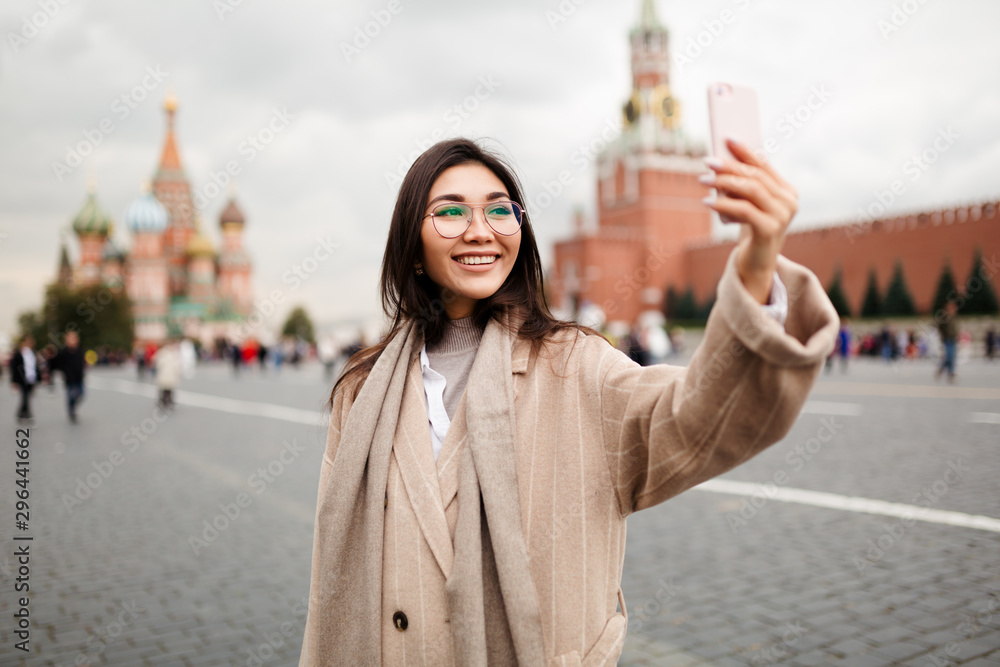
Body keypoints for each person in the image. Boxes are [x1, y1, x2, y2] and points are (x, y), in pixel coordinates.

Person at [299, 138, 838, 665]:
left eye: (500, 211)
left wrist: (757, 264)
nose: (480, 230)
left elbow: (698, 419)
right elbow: (331, 581)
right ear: (411, 247)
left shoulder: (574, 364)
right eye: (451, 212)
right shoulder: (362, 390)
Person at [49, 331, 86, 422]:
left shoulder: (80, 350)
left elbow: (82, 363)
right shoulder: (63, 353)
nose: (73, 340)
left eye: (74, 338)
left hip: (79, 377)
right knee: (71, 395)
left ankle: (73, 406)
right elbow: (54, 364)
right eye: (70, 338)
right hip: (69, 379)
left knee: (81, 393)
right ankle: (71, 411)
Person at [9, 334, 39, 424]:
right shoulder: (18, 353)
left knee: (27, 397)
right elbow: (13, 367)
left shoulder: (32, 352)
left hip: (31, 378)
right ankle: (27, 415)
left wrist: (39, 378)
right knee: (25, 397)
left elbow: (35, 366)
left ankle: (21, 414)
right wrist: (13, 381)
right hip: (22, 379)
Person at [935, 300, 959, 383]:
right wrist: (942, 336)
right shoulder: (945, 317)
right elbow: (938, 326)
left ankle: (947, 372)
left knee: (951, 358)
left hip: (953, 339)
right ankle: (948, 372)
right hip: (947, 340)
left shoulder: (954, 317)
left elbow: (955, 328)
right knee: (949, 357)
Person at [153, 339, 181, 409]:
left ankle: (166, 401)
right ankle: (164, 401)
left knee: (168, 388)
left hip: (168, 374)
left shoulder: (164, 353)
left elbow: (157, 362)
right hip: (166, 374)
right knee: (165, 388)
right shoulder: (167, 353)